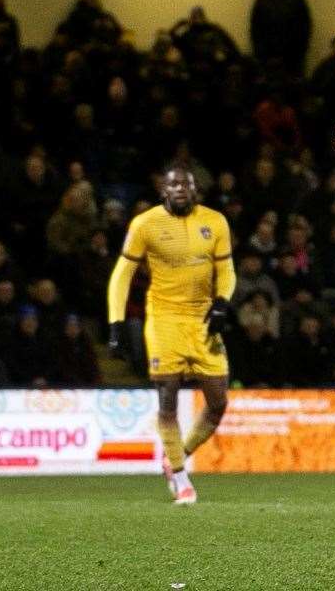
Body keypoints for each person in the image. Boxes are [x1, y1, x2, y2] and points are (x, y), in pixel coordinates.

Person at [107, 168, 235, 505]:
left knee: (219, 402)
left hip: (201, 319)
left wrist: (221, 303)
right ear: (163, 189)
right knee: (168, 397)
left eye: (187, 184)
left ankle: (175, 456)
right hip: (164, 318)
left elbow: (226, 271)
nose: (181, 189)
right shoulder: (145, 224)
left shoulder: (215, 222)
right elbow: (122, 274)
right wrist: (116, 323)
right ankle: (180, 478)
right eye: (175, 184)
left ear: (195, 190)